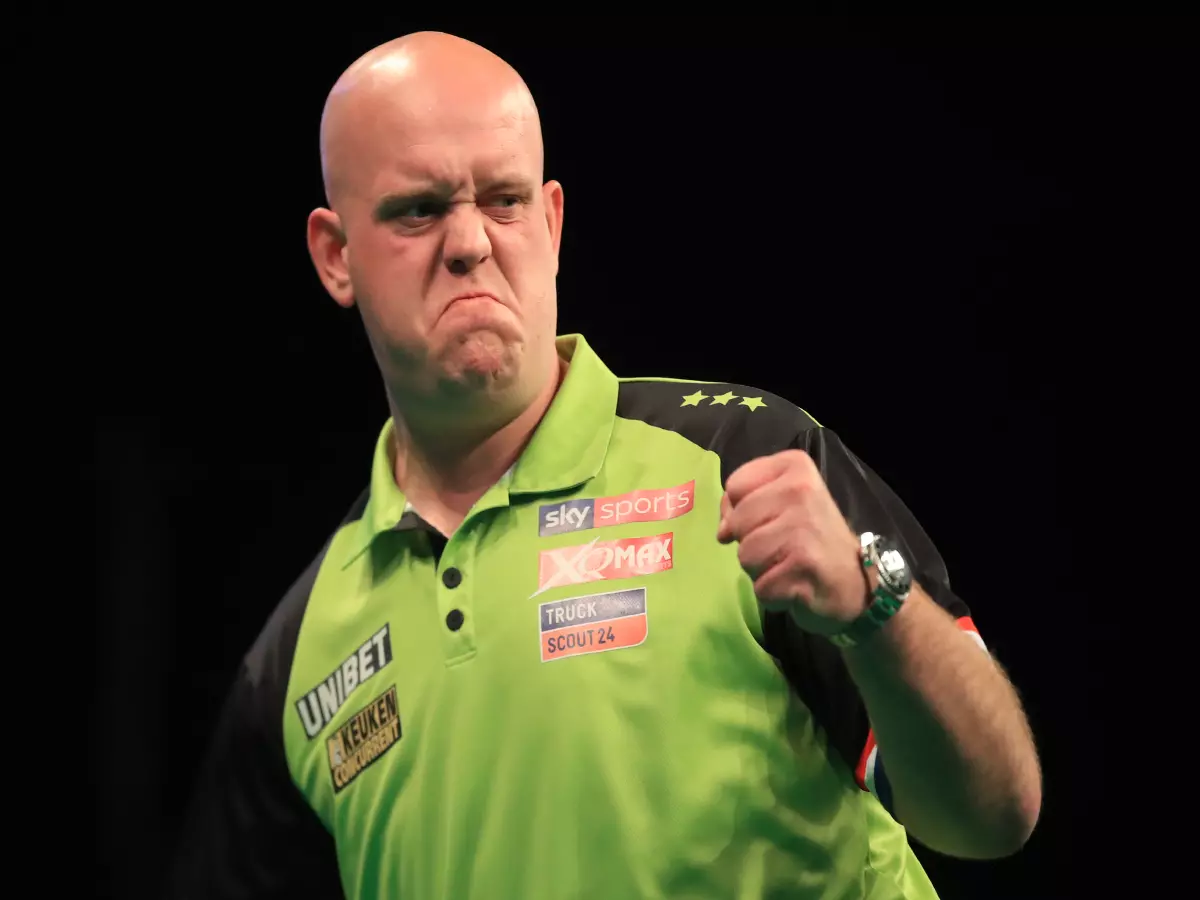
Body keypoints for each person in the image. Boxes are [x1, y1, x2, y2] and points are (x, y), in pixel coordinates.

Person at [168, 31, 1041, 900]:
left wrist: (872, 610)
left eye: (504, 201)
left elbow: (994, 814)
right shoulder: (297, 660)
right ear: (336, 256)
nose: (470, 242)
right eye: (419, 210)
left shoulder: (744, 461)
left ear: (550, 224)